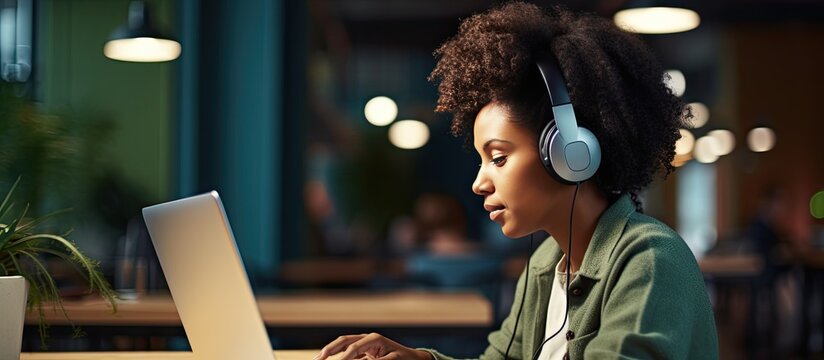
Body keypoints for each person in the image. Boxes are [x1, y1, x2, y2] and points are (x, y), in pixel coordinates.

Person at [314, 2, 718, 359]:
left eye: (499, 157)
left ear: (568, 153)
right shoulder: (545, 263)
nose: (479, 183)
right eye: (481, 160)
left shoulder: (649, 260)